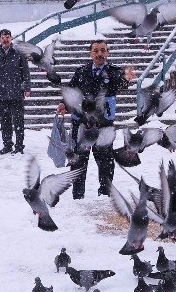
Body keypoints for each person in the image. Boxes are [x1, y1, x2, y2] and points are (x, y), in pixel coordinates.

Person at [57, 40, 135, 199]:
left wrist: (126, 78)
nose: (99, 54)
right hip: (82, 124)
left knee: (106, 162)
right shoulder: (81, 71)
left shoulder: (114, 72)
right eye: (96, 51)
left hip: (104, 125)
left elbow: (120, 84)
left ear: (107, 53)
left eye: (103, 50)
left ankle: (105, 194)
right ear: (90, 54)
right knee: (78, 162)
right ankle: (78, 196)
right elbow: (71, 90)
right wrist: (63, 104)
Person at [0, 29, 31, 155]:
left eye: (7, 37)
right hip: (1, 92)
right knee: (5, 121)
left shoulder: (18, 52)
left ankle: (19, 146)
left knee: (18, 121)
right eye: (3, 37)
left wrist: (27, 87)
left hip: (16, 92)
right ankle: (7, 145)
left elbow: (25, 71)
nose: (5, 39)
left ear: (11, 38)